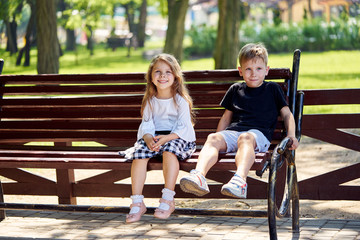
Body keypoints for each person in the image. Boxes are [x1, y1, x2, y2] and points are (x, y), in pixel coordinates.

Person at [179, 43, 299, 199]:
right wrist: (219, 138)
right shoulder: (236, 89)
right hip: (234, 133)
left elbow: (287, 114)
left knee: (246, 137)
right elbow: (226, 118)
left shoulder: (272, 89)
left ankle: (240, 181)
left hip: (258, 136)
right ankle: (199, 176)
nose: (253, 74)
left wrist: (291, 135)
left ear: (266, 70)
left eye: (258, 69)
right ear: (240, 71)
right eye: (248, 69)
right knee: (212, 138)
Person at [120, 53, 196, 223]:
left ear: (175, 76)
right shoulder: (150, 100)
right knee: (139, 154)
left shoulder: (180, 100)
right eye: (158, 72)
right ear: (150, 76)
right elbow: (146, 123)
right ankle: (137, 202)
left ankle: (168, 199)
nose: (163, 76)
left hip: (178, 137)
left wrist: (167, 138)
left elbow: (184, 126)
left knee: (169, 151)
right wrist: (148, 138)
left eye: (168, 72)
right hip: (154, 136)